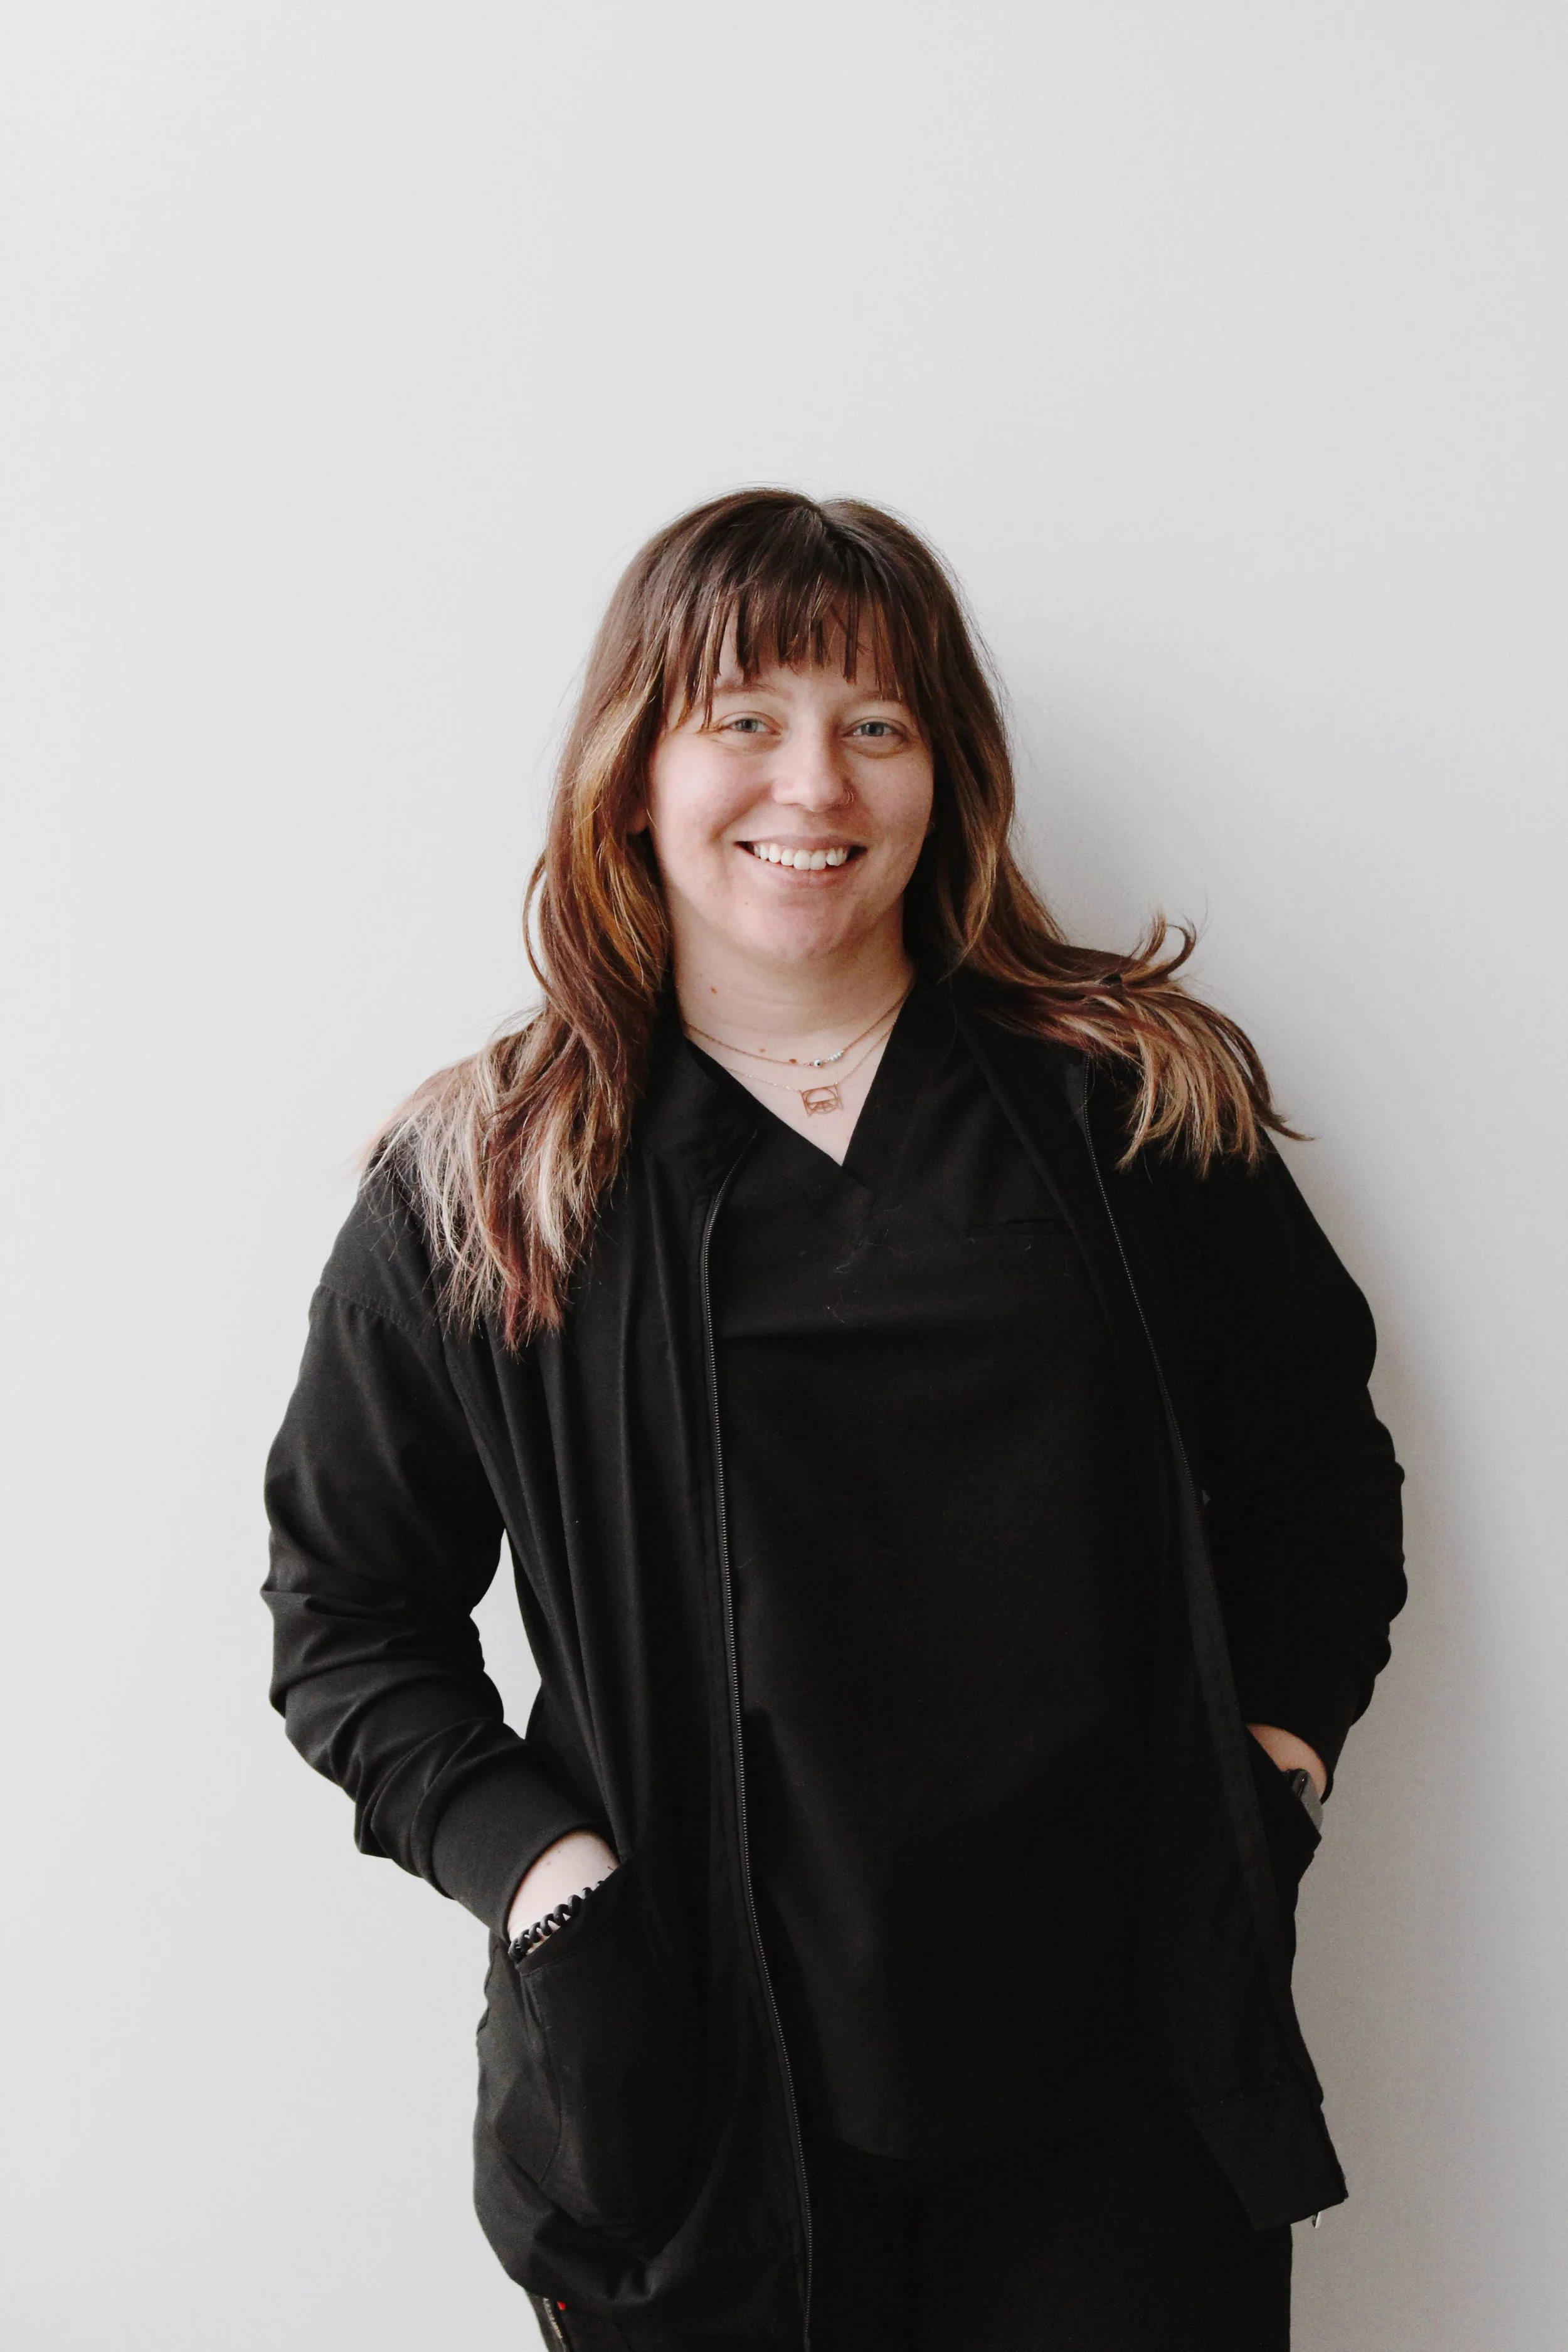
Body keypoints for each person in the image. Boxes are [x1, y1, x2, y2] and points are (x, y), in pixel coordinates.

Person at [264, 489, 1405, 2351]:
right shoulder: (486, 1176)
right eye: (746, 718)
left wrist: (1274, 1776)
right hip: (694, 2093)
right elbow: (346, 1623)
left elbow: (1319, 1484)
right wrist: (555, 1895)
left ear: (944, 774)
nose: (816, 781)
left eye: (877, 724)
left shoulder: (1130, 1111)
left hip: (1120, 2091)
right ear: (633, 764)